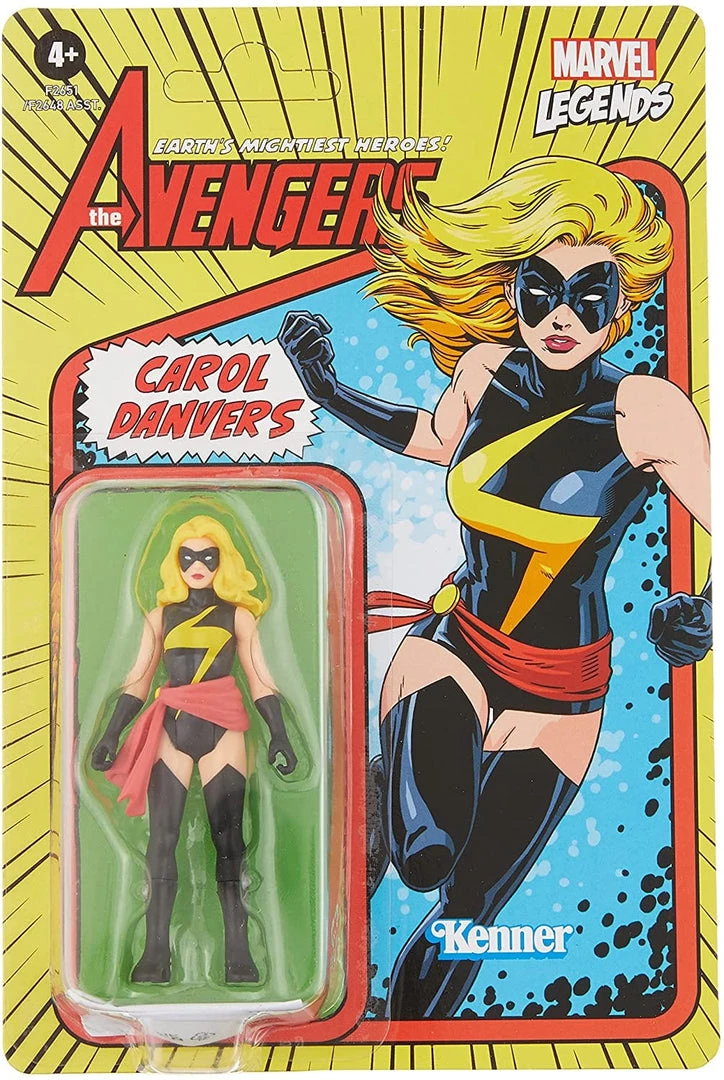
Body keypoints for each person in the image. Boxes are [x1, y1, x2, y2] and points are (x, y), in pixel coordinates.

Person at [278, 156, 711, 1019]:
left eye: (588, 295)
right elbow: (438, 439)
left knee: (468, 911)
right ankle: (364, 838)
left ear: (620, 303)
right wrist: (326, 389)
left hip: (564, 692)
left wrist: (702, 611)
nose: (561, 316)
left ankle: (399, 1051)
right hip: (457, 648)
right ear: (512, 288)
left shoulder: (649, 411)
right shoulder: (483, 370)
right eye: (541, 289)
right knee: (426, 850)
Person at [91, 514, 297, 984]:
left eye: (207, 556)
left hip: (224, 725)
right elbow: (139, 679)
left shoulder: (238, 616)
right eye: (188, 557)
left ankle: (239, 955)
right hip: (173, 727)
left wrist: (279, 734)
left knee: (230, 842)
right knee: (161, 839)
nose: (197, 565)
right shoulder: (160, 617)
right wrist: (111, 733)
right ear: (176, 562)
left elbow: (260, 677)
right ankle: (155, 954)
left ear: (223, 560)